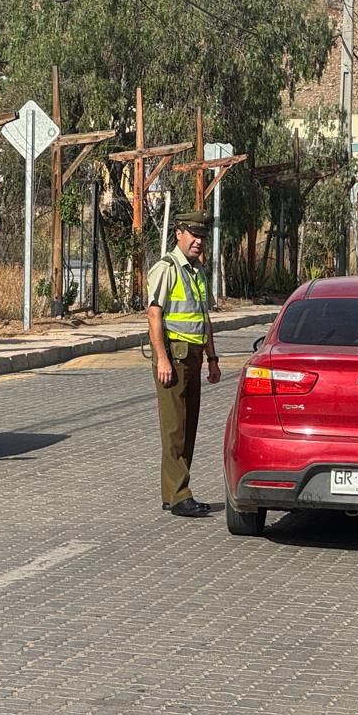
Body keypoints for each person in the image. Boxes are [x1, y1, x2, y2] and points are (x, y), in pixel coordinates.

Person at [147, 210, 221, 518]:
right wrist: (162, 358)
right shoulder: (166, 268)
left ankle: (174, 491)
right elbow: (154, 314)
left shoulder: (197, 271)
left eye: (203, 237)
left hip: (193, 354)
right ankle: (179, 496)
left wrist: (212, 358)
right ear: (179, 233)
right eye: (193, 235)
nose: (199, 242)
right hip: (173, 357)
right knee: (174, 428)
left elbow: (203, 318)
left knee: (188, 427)